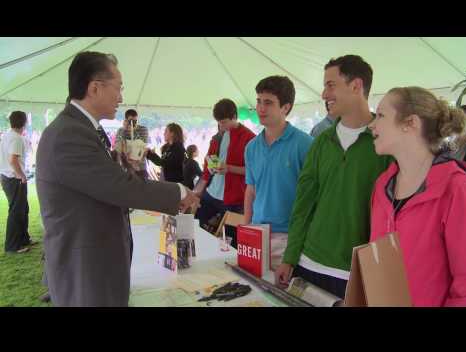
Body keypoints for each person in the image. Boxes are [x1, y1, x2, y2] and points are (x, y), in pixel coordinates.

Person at [35, 51, 198, 307]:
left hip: (96, 262)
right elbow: (117, 187)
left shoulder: (82, 129)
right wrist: (178, 191)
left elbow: (103, 181)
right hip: (85, 270)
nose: (121, 97)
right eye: (118, 88)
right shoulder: (69, 134)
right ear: (95, 88)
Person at [275, 55, 392, 298]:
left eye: (331, 85)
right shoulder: (321, 143)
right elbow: (303, 205)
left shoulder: (385, 144)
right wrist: (290, 257)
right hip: (308, 265)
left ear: (356, 86)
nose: (323, 94)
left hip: (356, 272)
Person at [368, 86, 466, 307]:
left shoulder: (458, 189)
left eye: (381, 115)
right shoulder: (382, 186)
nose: (372, 124)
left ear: (411, 123)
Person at [244, 76, 313, 270]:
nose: (261, 108)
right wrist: (246, 229)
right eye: (258, 101)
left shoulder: (305, 145)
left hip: (289, 237)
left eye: (268, 103)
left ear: (285, 107)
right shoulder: (251, 147)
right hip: (257, 233)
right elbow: (251, 190)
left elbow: (313, 197)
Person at [194, 99, 255, 247]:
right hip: (211, 194)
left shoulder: (250, 138)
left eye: (224, 122)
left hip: (234, 200)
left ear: (234, 116)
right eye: (219, 122)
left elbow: (254, 172)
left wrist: (229, 168)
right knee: (197, 230)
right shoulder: (218, 136)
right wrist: (197, 191)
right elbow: (208, 166)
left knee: (229, 242)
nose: (221, 126)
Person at [0, 111, 35, 254]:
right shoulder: (16, 138)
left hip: (8, 177)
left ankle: (23, 239)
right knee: (16, 211)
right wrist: (21, 176)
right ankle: (12, 246)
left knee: (22, 209)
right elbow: (13, 160)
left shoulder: (7, 136)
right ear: (24, 122)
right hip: (14, 178)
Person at [114, 109, 150, 180]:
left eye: (135, 121)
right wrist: (125, 129)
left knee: (142, 188)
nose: (133, 123)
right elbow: (118, 145)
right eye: (131, 121)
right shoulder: (121, 130)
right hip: (126, 167)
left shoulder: (143, 129)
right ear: (126, 120)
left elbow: (142, 144)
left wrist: (132, 131)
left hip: (140, 167)